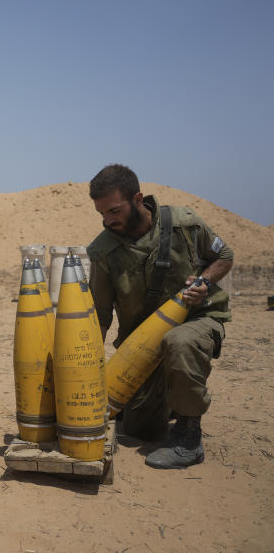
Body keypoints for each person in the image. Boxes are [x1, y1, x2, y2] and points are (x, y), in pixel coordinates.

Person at [87, 164, 233, 469]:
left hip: (197, 320)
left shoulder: (185, 224)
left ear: (138, 198)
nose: (108, 220)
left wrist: (205, 282)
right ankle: (168, 396)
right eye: (102, 213)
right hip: (142, 342)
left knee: (179, 342)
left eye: (114, 210)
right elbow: (99, 316)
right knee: (141, 430)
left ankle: (188, 437)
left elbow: (224, 256)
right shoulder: (103, 251)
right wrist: (86, 370)